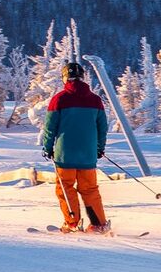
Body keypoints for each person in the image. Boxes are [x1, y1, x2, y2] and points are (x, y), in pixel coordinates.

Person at [40, 62, 111, 233]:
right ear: (83, 77)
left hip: (65, 155)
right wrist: (99, 148)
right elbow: (102, 128)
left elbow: (50, 128)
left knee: (65, 188)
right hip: (88, 155)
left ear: (65, 77)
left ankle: (72, 223)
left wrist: (47, 148)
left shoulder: (59, 99)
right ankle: (98, 224)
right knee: (90, 189)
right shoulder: (95, 100)